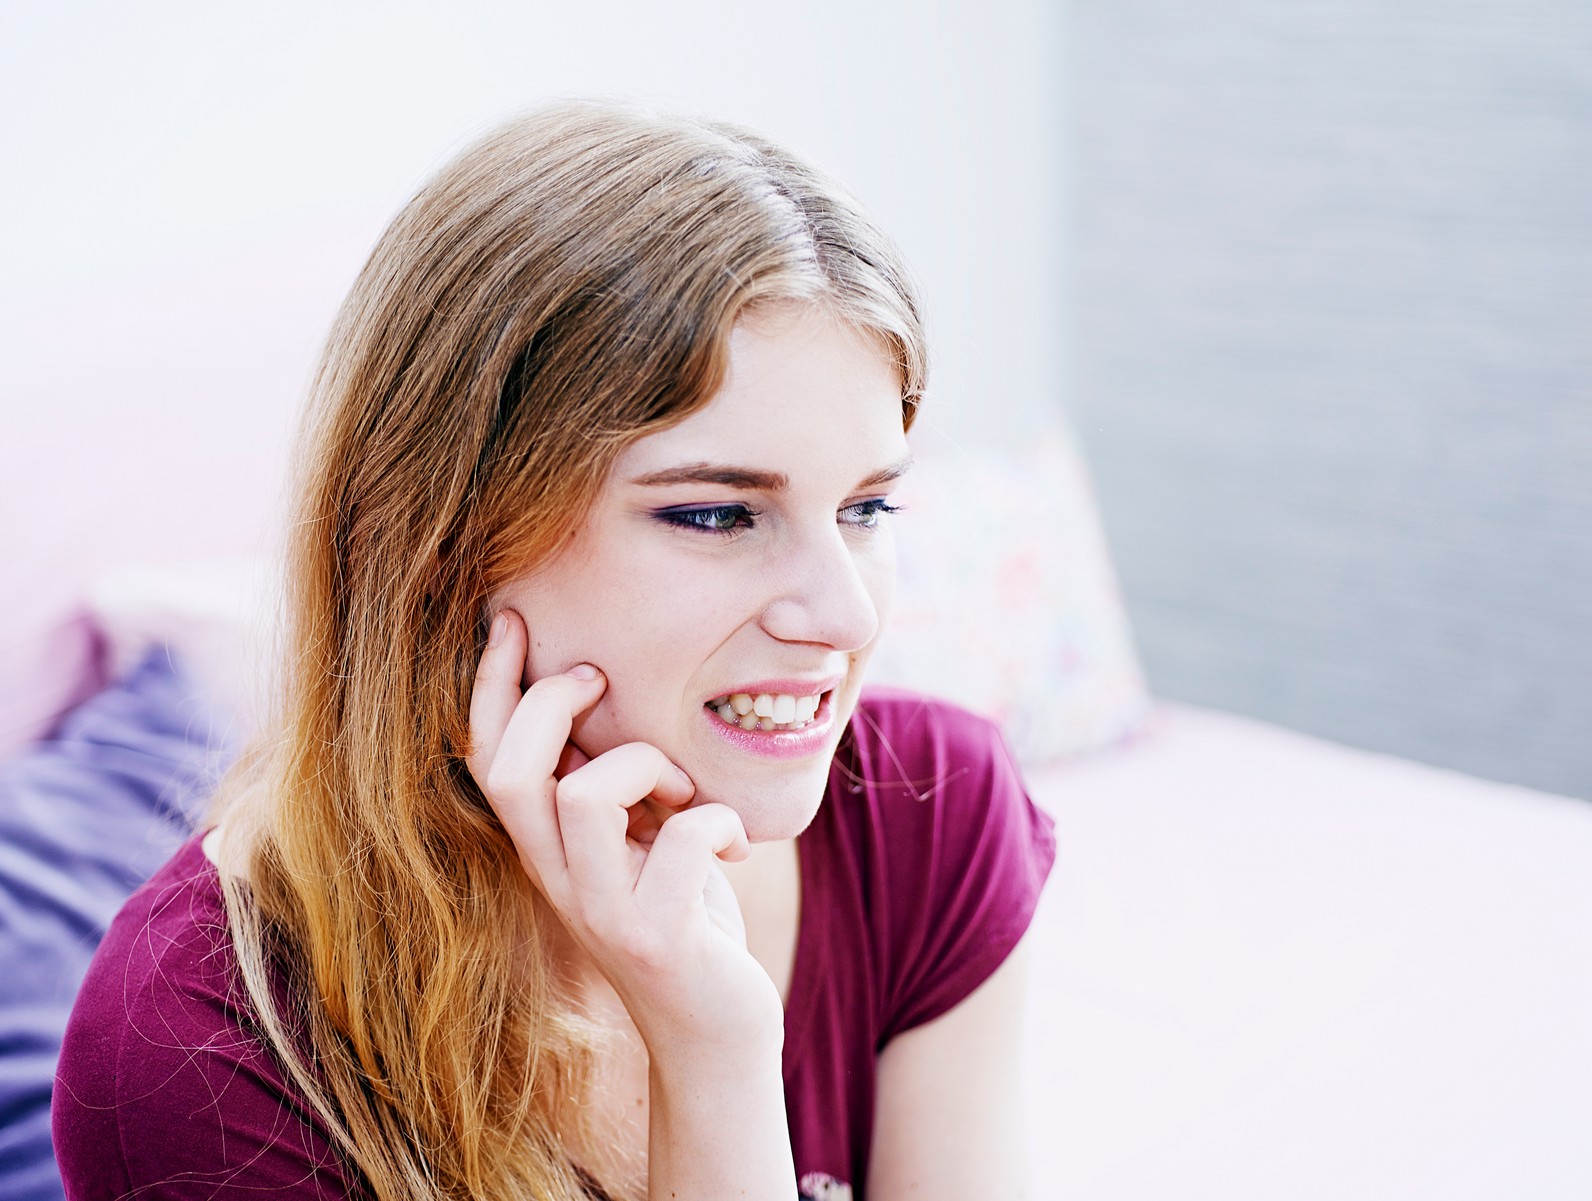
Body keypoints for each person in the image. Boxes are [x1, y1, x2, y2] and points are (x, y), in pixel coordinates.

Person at [53, 100, 1057, 1201]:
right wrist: (713, 1064)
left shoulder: (935, 812)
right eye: (718, 514)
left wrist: (711, 1049)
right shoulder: (198, 1047)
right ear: (445, 536)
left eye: (867, 509)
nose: (848, 617)